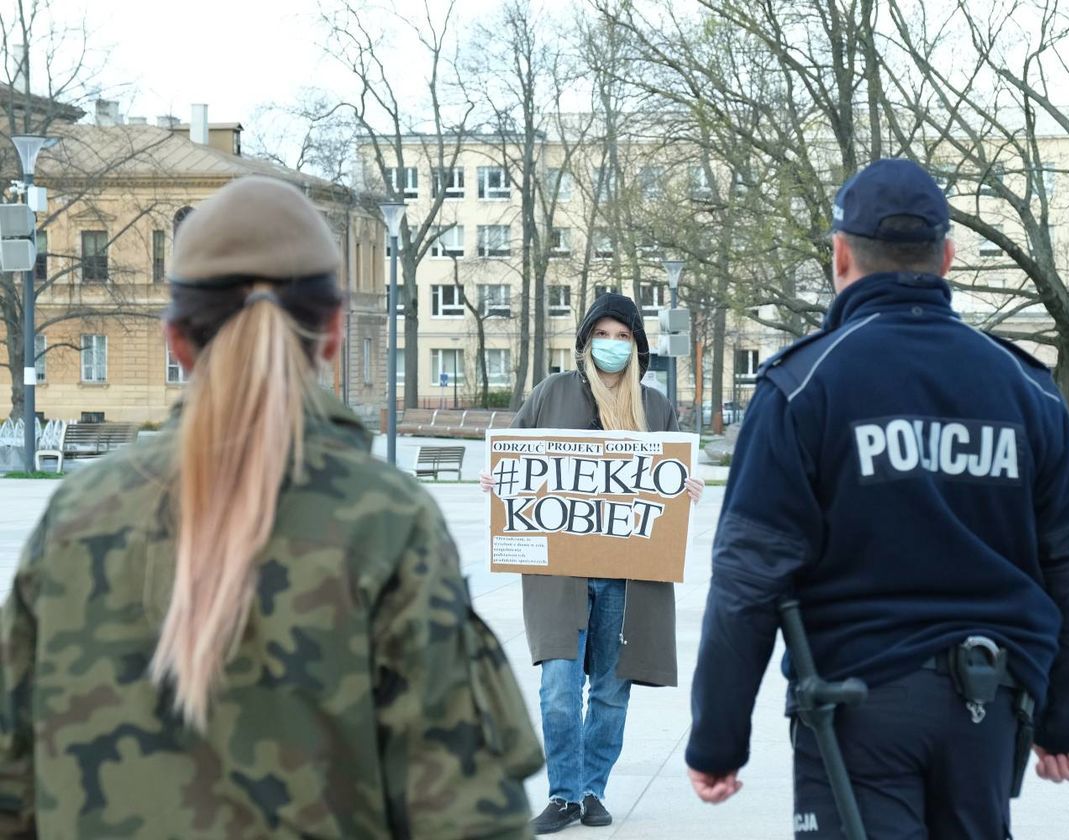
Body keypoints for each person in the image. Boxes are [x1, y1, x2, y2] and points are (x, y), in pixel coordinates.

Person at [0, 177, 542, 838]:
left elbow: (11, 782)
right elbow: (464, 812)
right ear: (334, 332)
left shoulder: (76, 516)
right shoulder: (387, 520)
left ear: (176, 341)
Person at [684, 159, 1069, 838]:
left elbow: (749, 576)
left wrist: (718, 738)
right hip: (988, 707)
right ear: (948, 257)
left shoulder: (804, 385)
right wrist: (1068, 717)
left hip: (856, 709)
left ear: (840, 254)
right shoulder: (1026, 388)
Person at [480, 292, 703, 834]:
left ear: (637, 346)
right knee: (558, 689)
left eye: (623, 337)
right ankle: (563, 795)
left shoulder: (655, 408)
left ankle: (590, 790)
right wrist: (497, 480)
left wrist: (686, 488)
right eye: (602, 335)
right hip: (560, 572)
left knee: (609, 690)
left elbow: (666, 481)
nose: (611, 345)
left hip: (628, 577)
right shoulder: (552, 393)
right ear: (585, 341)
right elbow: (514, 458)